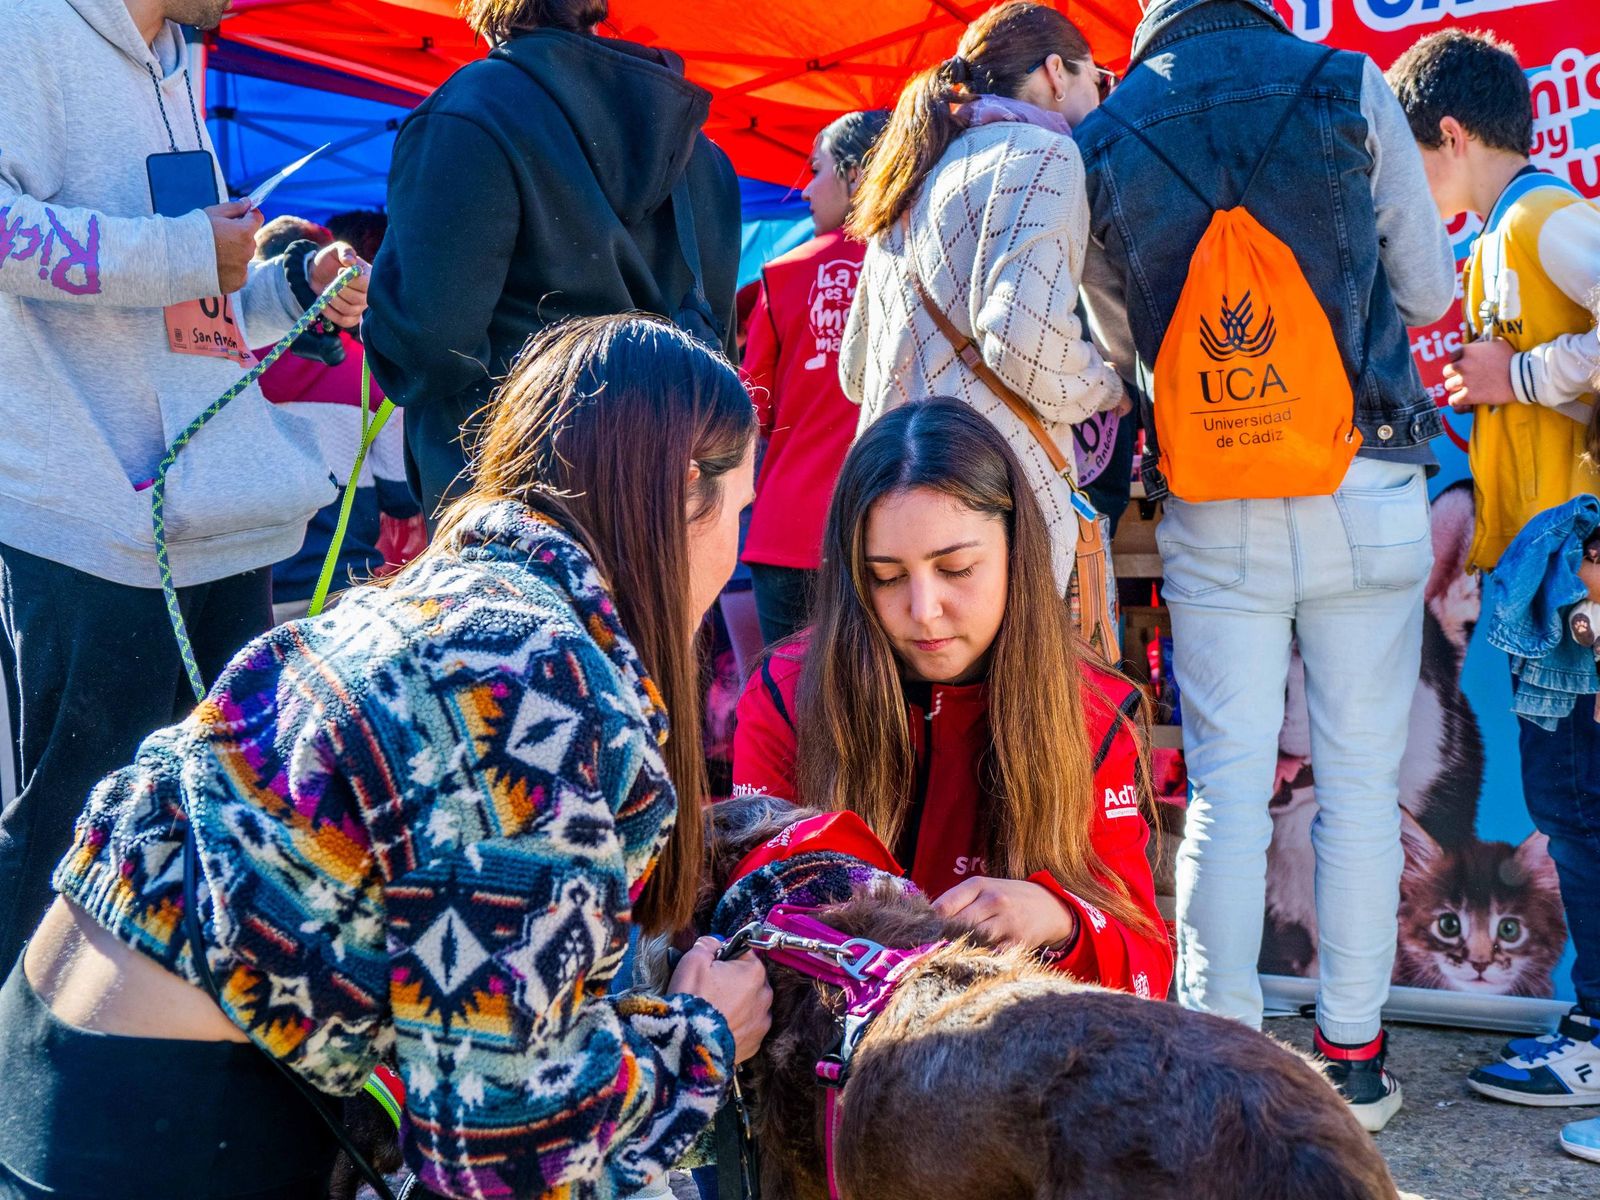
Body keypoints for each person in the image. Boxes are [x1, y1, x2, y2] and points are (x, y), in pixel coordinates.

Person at [0, 314, 772, 1200]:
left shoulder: (454, 606)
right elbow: (499, 1145)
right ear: (683, 491)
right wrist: (701, 1036)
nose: (736, 548)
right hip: (163, 1133)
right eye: (740, 510)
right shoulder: (535, 681)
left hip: (46, 1056)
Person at [1072, 0, 1457, 1131]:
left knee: (1226, 790)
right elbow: (1428, 292)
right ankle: (1353, 1065)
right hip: (1364, 479)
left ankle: (1222, 1065)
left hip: (1215, 494)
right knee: (1360, 790)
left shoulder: (1107, 130)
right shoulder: (1346, 83)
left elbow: (1121, 347)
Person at [0, 0, 370, 974]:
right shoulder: (23, 28)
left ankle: (145, 1052)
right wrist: (182, 250)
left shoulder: (171, 60)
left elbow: (187, 307)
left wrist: (292, 288)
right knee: (71, 846)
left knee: (205, 833)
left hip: (211, 521)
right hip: (88, 522)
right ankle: (24, 1062)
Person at [733, 399, 1173, 998]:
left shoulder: (1092, 707)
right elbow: (747, 918)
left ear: (1017, 551)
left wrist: (1060, 920)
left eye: (957, 568)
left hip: (1013, 1040)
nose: (923, 609)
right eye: (886, 577)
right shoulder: (788, 690)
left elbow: (1146, 966)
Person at [1386, 29, 1600, 1160]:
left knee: (1584, 805)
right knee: (1572, 803)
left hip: (1579, 584)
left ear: (1450, 136)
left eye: (1406, 155)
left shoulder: (1541, 219)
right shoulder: (1501, 237)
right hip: (1548, 586)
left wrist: (1516, 374)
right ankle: (1592, 1028)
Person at [364, 0, 741, 522]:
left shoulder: (468, 113)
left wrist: (374, 312)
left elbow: (428, 343)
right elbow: (722, 352)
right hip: (669, 506)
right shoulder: (704, 155)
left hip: (514, 509)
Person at [840, 0, 1126, 595]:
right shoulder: (1044, 154)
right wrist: (1105, 387)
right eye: (1099, 79)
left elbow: (854, 372)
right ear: (1056, 72)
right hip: (990, 502)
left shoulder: (910, 172)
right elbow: (1024, 344)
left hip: (885, 501)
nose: (1103, 95)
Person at [742, 110, 889, 646]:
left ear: (855, 174)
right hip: (892, 535)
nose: (805, 190)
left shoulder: (784, 275)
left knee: (787, 691)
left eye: (816, 169)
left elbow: (751, 411)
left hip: (789, 532)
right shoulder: (925, 267)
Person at [251, 219, 423, 623]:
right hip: (340, 586)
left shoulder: (227, 363)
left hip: (245, 593)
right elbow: (401, 495)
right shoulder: (370, 371)